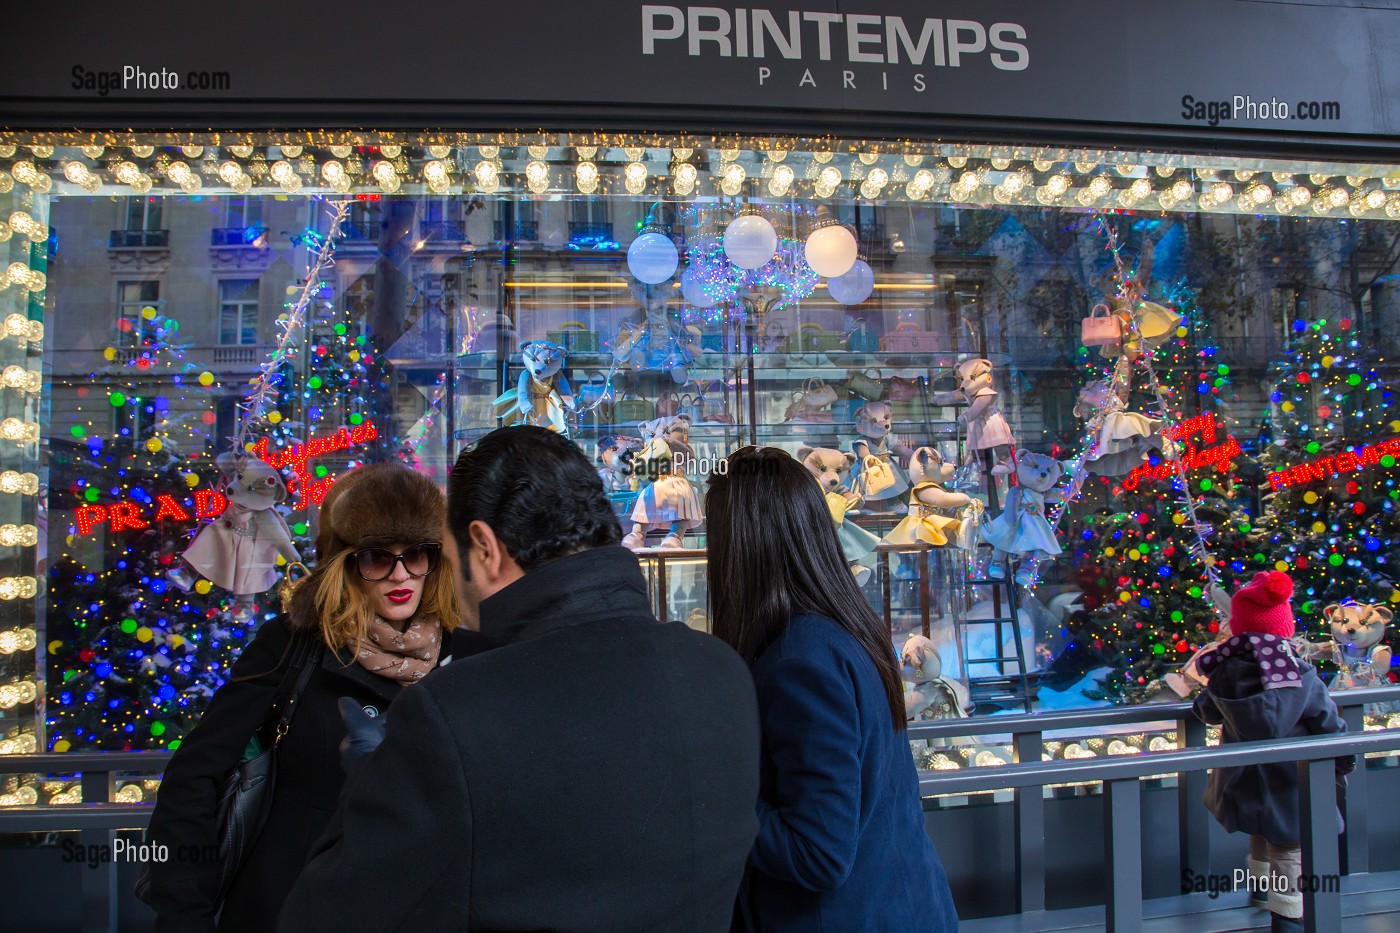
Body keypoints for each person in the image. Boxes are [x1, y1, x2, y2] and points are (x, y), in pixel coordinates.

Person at [278, 425, 761, 933]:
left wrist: (371, 785)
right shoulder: (722, 672)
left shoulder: (456, 713)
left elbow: (324, 914)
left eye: (446, 557)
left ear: (484, 547)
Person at [139, 462, 460, 932]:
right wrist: (182, 914)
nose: (400, 575)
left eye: (416, 554)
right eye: (376, 557)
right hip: (291, 905)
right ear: (344, 564)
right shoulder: (293, 645)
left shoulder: (461, 653)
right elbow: (195, 776)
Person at [705, 446, 959, 932]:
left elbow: (817, 852)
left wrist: (713, 796)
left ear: (741, 547)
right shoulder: (841, 630)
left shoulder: (800, 661)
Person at [1194, 571, 1354, 933]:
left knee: (1261, 831)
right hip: (1290, 779)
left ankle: (1262, 892)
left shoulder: (1223, 669)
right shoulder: (1302, 676)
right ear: (1284, 627)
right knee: (1289, 848)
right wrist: (1343, 761)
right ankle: (1287, 919)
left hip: (1244, 777)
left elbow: (1205, 711)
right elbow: (1327, 723)